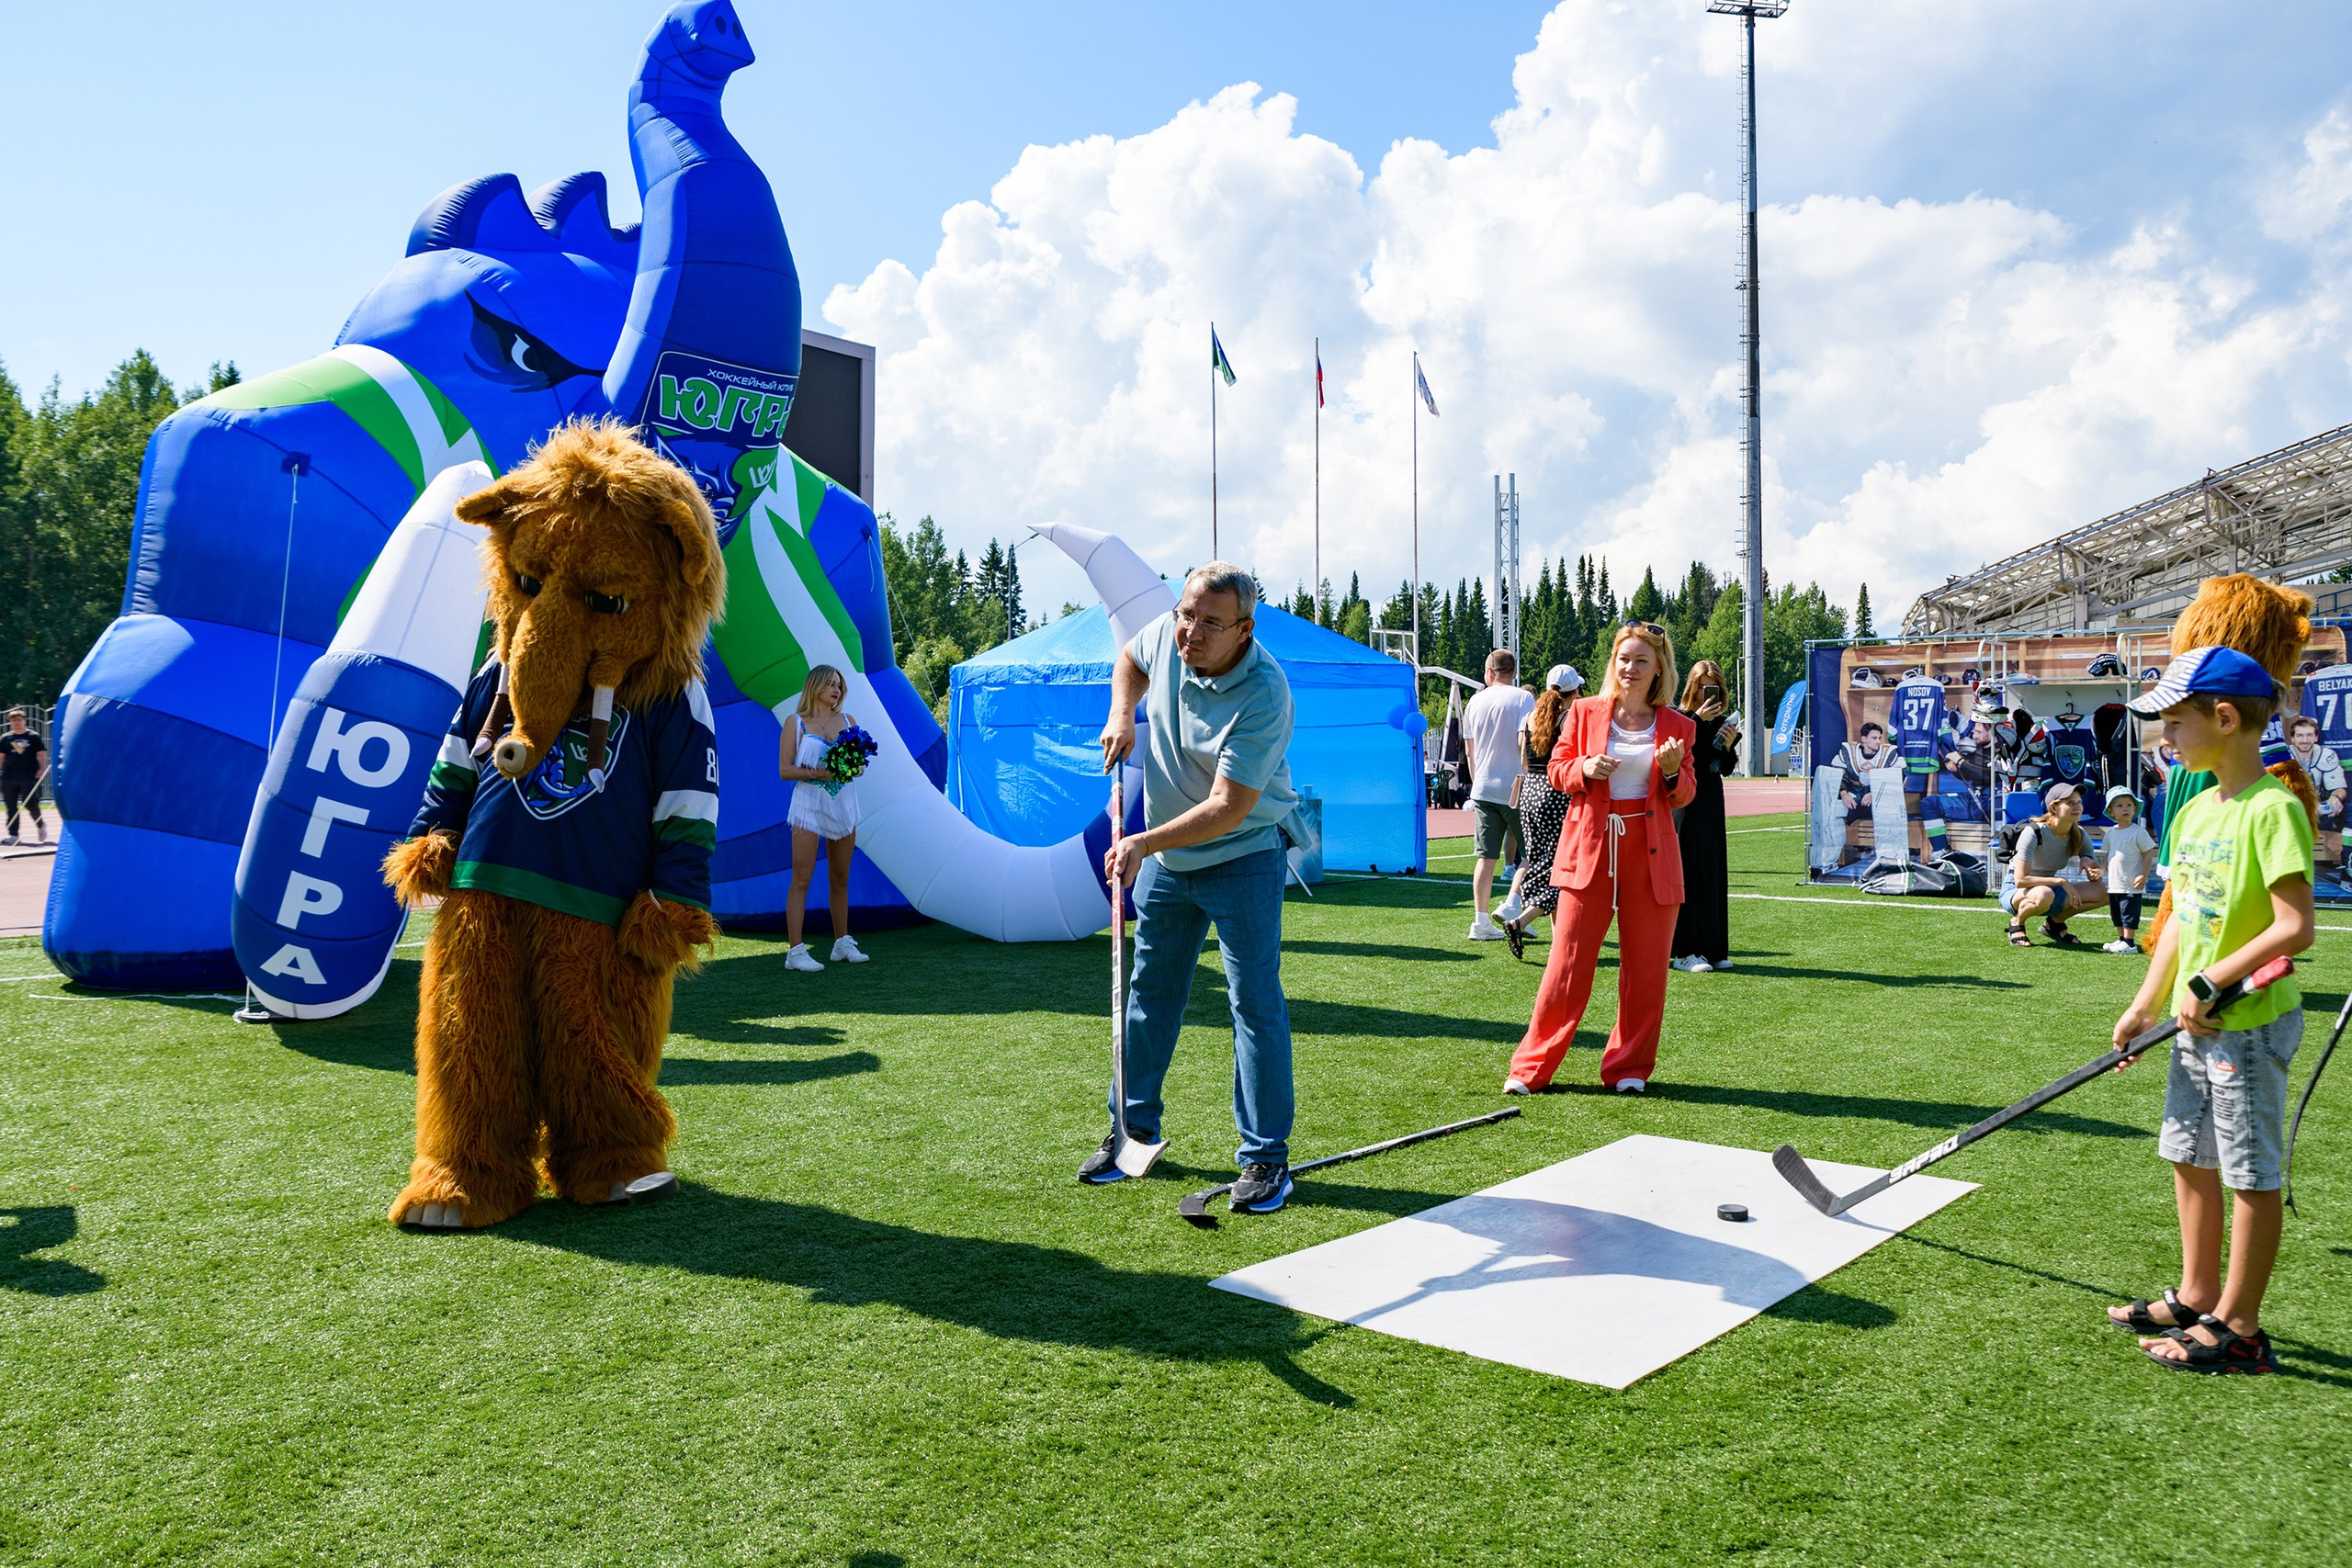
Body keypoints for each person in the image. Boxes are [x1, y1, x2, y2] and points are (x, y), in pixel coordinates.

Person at [2108, 647, 2314, 1374]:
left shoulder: (2272, 810)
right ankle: (2198, 1293)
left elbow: (2294, 927)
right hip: (2195, 1020)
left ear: (2224, 718)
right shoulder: (2193, 809)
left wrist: (2214, 981)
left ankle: (2242, 1326)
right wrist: (2144, 1004)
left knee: (2248, 1166)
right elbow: (2179, 924)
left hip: (2248, 1024)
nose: (2165, 737)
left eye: (2174, 722)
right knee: (2186, 1150)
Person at [1089, 562, 1306, 1213]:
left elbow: (1229, 807)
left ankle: (1267, 1160)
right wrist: (1122, 713)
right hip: (1167, 860)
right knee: (1148, 994)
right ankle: (1131, 1128)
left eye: (1210, 623)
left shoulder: (1267, 692)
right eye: (1186, 615)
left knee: (1254, 1003)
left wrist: (1144, 843)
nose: (1190, 633)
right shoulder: (1169, 635)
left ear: (1244, 628)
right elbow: (1131, 657)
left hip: (1242, 854)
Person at [1506, 622, 1696, 1097]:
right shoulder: (1586, 712)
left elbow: (1685, 794)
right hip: (1589, 848)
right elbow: (1554, 769)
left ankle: (1629, 1067)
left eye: (1642, 661)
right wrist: (1584, 768)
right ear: (1614, 663)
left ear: (1658, 671)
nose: (1630, 668)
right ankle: (1530, 1068)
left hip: (1650, 854)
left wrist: (1672, 772)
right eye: (1624, 659)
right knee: (1566, 964)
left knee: (1646, 968)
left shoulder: (1679, 726)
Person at [777, 664, 869, 972]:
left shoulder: (848, 721)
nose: (836, 689)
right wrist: (823, 772)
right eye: (830, 684)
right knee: (802, 878)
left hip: (843, 801)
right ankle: (795, 952)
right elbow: (785, 770)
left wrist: (855, 768)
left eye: (839, 685)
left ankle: (842, 943)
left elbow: (860, 767)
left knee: (841, 877)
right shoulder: (796, 722)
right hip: (807, 803)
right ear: (815, 686)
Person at [1496, 664, 1581, 956]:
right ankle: (1521, 921)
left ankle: (1560, 942)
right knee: (1562, 867)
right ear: (1573, 692)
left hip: (1530, 790)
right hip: (1555, 792)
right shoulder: (1567, 718)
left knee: (1539, 860)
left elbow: (1524, 756)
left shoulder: (1531, 715)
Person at [1461, 649, 1536, 941]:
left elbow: (1469, 749)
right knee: (1535, 853)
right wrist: (1530, 775)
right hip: (1515, 785)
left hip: (1483, 787)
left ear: (1490, 672)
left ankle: (1481, 921)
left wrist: (1476, 779)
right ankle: (1514, 904)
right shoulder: (1523, 698)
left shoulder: (1475, 701)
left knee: (1485, 857)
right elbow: (1523, 740)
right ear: (1513, 672)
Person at [1670, 660, 1739, 973]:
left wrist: (1726, 746)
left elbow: (1723, 768)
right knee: (1687, 873)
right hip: (1685, 801)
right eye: (1702, 686)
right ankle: (1684, 951)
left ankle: (1712, 949)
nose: (1707, 692)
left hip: (1711, 800)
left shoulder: (1722, 722)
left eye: (1713, 686)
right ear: (1692, 687)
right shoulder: (1680, 719)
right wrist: (1696, 720)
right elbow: (1681, 756)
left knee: (1712, 872)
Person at [2002, 782, 2102, 947]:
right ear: (2054, 808)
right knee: (2044, 894)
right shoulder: (2033, 832)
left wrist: (2087, 861)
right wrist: (2060, 881)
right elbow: (2020, 880)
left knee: (2104, 892)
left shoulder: (2080, 833)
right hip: (2016, 890)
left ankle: (2054, 924)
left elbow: (2095, 877)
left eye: (2079, 802)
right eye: (2070, 803)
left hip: (2049, 890)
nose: (2077, 807)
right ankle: (2017, 923)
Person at [2101, 786, 2156, 953]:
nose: (2125, 809)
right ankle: (2121, 940)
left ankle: (2130, 943)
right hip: (2114, 884)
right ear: (2111, 812)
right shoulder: (2110, 833)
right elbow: (2108, 855)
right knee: (2117, 914)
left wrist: (2143, 875)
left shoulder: (2138, 832)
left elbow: (2148, 853)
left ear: (2135, 809)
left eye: (2129, 805)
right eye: (2119, 806)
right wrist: (2102, 870)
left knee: (2129, 914)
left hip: (2131, 883)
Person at [1, 708, 45, 847]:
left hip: (28, 775)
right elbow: (1, 757)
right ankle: (13, 834)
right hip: (9, 776)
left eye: (19, 719)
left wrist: (41, 769)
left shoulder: (33, 737)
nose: (16, 722)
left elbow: (41, 754)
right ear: (10, 723)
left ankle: (40, 824)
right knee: (11, 807)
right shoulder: (6, 738)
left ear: (24, 721)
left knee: (30, 804)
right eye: (13, 720)